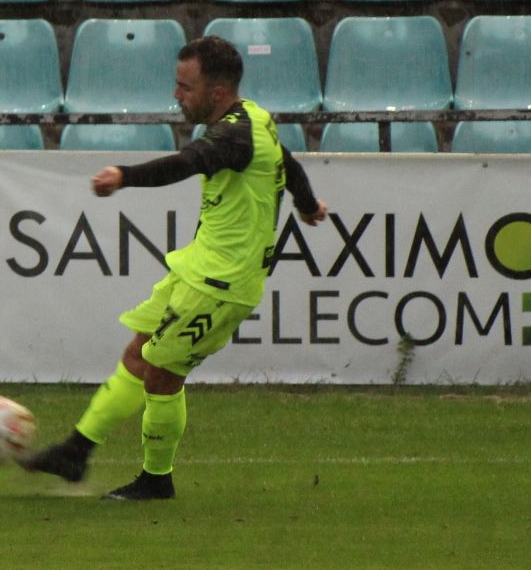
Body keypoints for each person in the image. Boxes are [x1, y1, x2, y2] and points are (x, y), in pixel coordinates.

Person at [24, 35, 328, 501]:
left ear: (218, 92)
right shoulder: (257, 121)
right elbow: (289, 166)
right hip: (195, 271)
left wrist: (125, 176)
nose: (176, 95)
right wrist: (306, 206)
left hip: (221, 285)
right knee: (136, 357)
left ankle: (156, 479)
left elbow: (189, 163)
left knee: (161, 372)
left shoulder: (233, 136)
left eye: (186, 86)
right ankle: (76, 451)